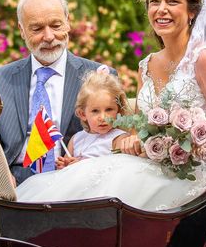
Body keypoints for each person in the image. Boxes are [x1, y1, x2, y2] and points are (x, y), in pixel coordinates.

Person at [16, 0, 206, 210]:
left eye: (172, 1)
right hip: (155, 165)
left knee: (108, 192)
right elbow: (142, 131)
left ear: (192, 11)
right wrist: (135, 142)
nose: (161, 9)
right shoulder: (147, 65)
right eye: (154, 2)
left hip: (196, 172)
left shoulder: (205, 59)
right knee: (77, 179)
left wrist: (183, 148)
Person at [0, 0, 110, 185]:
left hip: (78, 183)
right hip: (14, 183)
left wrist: (84, 164)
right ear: (22, 30)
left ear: (68, 22)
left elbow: (114, 139)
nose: (49, 36)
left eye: (55, 25)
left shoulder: (99, 76)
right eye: (37, 29)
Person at [16, 67, 131, 200]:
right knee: (36, 187)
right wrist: (64, 165)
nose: (103, 117)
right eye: (95, 111)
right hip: (70, 187)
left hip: (98, 192)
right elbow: (66, 167)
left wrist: (81, 166)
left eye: (109, 109)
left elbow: (118, 173)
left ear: (118, 111)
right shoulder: (77, 139)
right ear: (83, 114)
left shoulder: (118, 138)